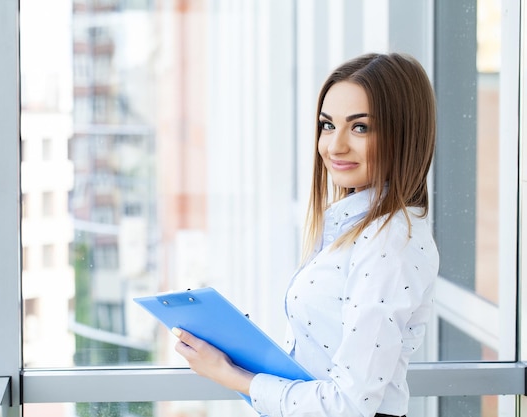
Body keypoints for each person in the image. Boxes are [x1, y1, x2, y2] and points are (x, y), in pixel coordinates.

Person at [172, 52, 439, 417]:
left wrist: (231, 375)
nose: (334, 146)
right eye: (328, 125)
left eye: (360, 127)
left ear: (404, 134)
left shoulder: (389, 241)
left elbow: (348, 405)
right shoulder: (351, 226)